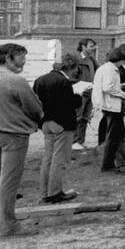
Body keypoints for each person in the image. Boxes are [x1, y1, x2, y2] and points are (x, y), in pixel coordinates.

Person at [0, 44, 45, 238]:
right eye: (21, 57)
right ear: (9, 58)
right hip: (13, 135)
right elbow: (34, 107)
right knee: (9, 182)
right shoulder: (16, 80)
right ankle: (8, 226)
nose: (24, 61)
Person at [33, 53, 81, 203]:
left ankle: (45, 192)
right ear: (71, 67)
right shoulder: (63, 82)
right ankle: (55, 192)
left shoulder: (39, 80)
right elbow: (70, 104)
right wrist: (78, 96)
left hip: (46, 123)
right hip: (62, 124)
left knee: (47, 158)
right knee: (59, 159)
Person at [94, 46, 125, 174]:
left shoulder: (105, 68)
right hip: (112, 106)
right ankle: (113, 165)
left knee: (115, 136)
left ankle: (114, 164)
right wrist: (123, 94)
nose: (124, 63)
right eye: (123, 61)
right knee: (116, 137)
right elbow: (107, 87)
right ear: (119, 60)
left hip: (108, 106)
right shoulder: (111, 70)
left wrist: (120, 86)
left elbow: (108, 86)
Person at [72, 38, 98, 149]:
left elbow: (98, 73)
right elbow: (70, 77)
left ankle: (80, 141)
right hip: (79, 95)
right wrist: (81, 85)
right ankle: (73, 142)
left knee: (85, 118)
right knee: (77, 117)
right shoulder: (74, 60)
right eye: (91, 46)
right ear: (83, 46)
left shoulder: (92, 60)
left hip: (90, 93)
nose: (93, 48)